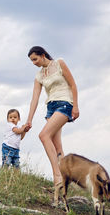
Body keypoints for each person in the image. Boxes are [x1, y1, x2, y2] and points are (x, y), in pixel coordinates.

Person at [25, 46, 79, 192]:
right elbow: (34, 99)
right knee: (57, 147)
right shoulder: (39, 76)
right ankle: (65, 182)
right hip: (51, 108)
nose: (34, 63)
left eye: (35, 59)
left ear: (43, 55)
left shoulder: (59, 63)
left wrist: (75, 106)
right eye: (31, 61)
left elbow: (73, 85)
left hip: (65, 103)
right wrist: (29, 120)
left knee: (43, 135)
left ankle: (57, 177)